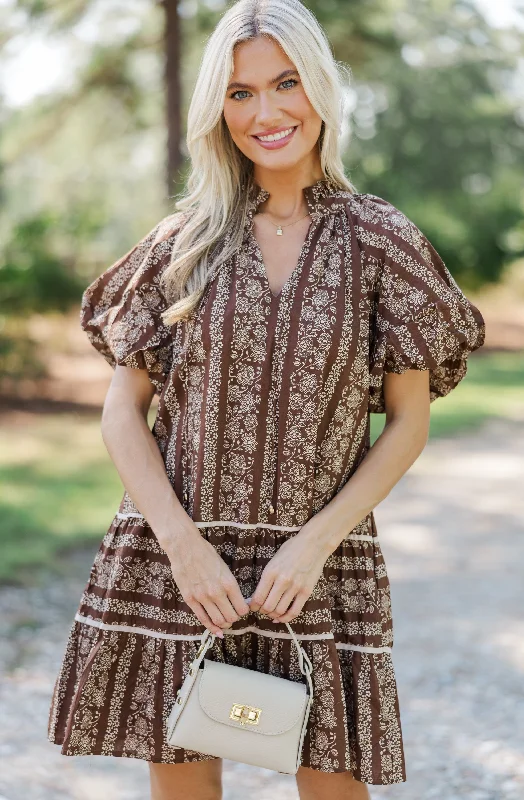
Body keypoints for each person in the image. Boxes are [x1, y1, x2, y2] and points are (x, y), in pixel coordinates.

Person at [47, 0, 486, 798]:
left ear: (319, 87)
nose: (266, 112)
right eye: (240, 92)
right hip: (181, 559)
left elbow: (409, 423)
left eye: (285, 84)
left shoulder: (382, 240)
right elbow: (122, 411)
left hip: (316, 563)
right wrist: (181, 546)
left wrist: (314, 544)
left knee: (330, 785)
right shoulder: (181, 244)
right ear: (217, 107)